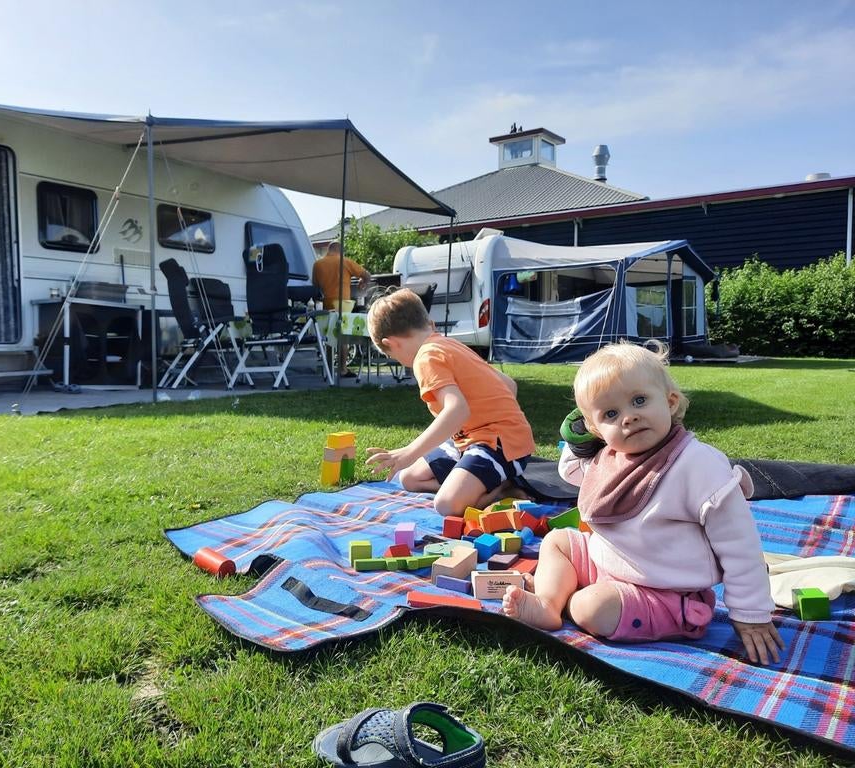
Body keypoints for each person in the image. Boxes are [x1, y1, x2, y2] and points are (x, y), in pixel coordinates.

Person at [501, 341, 785, 665]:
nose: (629, 417)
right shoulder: (611, 458)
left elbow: (740, 544)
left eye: (639, 400)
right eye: (611, 414)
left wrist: (751, 612)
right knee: (557, 541)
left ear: (670, 401)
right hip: (608, 564)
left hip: (667, 594)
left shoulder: (697, 465)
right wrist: (579, 440)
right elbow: (571, 471)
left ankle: (567, 596)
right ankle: (548, 604)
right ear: (595, 429)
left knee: (590, 607)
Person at [364, 288, 536, 517]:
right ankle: (480, 484)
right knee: (409, 478)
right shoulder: (448, 344)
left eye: (391, 356)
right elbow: (509, 385)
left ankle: (501, 490)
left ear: (392, 343)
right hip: (483, 439)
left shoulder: (426, 358)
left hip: (500, 446)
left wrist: (408, 452)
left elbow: (457, 410)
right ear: (429, 324)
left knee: (446, 505)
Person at [312, 242, 372, 377]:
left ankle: (328, 369)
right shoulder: (345, 261)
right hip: (343, 304)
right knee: (342, 337)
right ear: (340, 251)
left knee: (327, 335)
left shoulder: (317, 265)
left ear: (329, 250)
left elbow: (315, 286)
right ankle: (342, 369)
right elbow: (367, 275)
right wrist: (362, 282)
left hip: (325, 305)